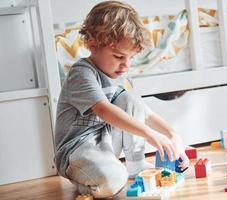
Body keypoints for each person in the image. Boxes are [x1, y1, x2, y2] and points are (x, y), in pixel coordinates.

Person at [54, 1, 189, 198]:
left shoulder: (118, 75)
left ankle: (135, 165)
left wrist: (172, 134)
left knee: (130, 98)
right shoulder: (81, 73)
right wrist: (149, 134)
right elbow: (104, 110)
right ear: (92, 45)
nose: (125, 65)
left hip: (105, 143)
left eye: (131, 58)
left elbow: (144, 111)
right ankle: (95, 181)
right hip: (77, 152)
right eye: (118, 56)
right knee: (115, 180)